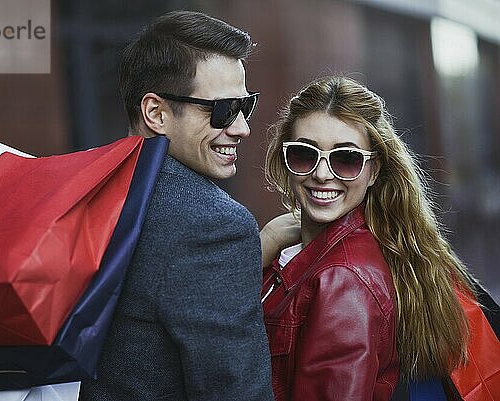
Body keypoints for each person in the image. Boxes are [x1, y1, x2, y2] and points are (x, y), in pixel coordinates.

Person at [79, 10, 274, 401]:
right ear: (156, 113)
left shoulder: (91, 189)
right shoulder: (215, 226)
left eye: (245, 106)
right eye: (222, 110)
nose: (241, 128)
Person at [261, 76, 474, 401]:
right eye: (305, 154)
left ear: (373, 170)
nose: (321, 174)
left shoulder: (343, 279)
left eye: (346, 159)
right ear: (286, 160)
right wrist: (269, 239)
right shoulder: (320, 250)